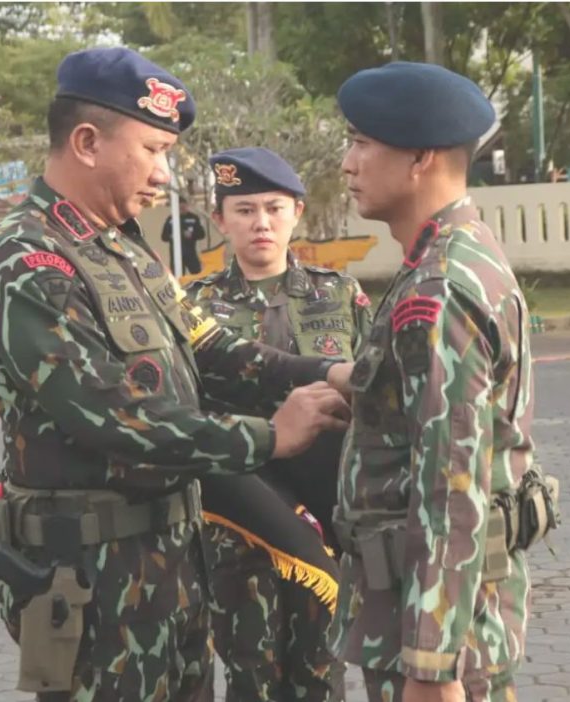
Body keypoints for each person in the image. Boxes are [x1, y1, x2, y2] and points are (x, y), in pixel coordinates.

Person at [0, 47, 353, 702]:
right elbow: (112, 416)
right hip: (92, 588)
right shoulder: (25, 261)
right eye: (153, 150)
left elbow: (207, 348)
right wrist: (268, 438)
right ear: (87, 142)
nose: (166, 176)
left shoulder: (121, 249)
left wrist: (325, 371)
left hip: (171, 569)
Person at [328, 62, 557, 702]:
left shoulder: (440, 287)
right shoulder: (455, 255)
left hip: (440, 628)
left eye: (360, 143)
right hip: (443, 612)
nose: (348, 164)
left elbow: (451, 485)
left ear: (420, 157)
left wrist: (431, 667)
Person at [186, 147, 373, 702]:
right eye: (244, 210)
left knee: (321, 665)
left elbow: (374, 395)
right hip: (238, 518)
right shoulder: (191, 308)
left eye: (273, 207)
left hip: (325, 508)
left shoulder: (340, 295)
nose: (260, 223)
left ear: (297, 212)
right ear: (219, 220)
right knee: (249, 668)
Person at [161, 197, 207, 274]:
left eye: (184, 207)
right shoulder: (171, 219)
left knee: (198, 275)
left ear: (187, 206)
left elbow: (202, 234)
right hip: (176, 255)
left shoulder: (193, 218)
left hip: (191, 253)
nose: (182, 209)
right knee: (177, 278)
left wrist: (192, 235)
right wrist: (172, 236)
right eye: (180, 207)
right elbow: (164, 237)